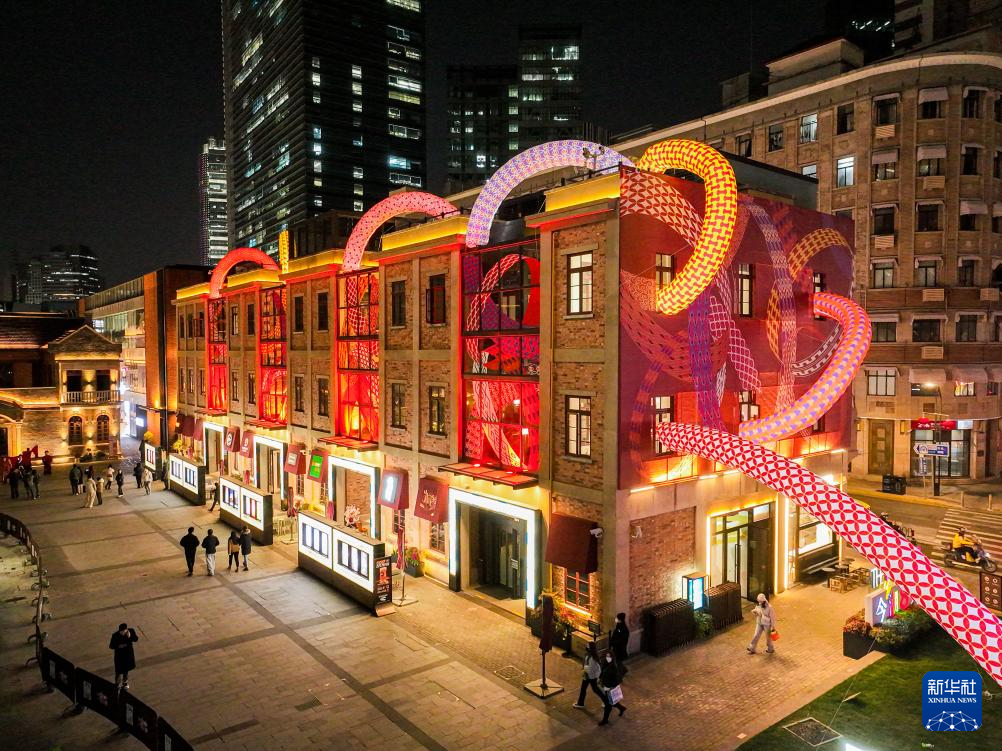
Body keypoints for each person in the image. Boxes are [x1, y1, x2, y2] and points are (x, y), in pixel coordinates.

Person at [597, 649, 626, 726]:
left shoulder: (614, 667)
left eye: (609, 656)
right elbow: (602, 671)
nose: (608, 658)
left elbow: (616, 680)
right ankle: (621, 708)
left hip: (610, 688)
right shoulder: (605, 663)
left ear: (612, 657)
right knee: (612, 701)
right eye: (606, 656)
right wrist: (600, 678)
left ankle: (605, 720)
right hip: (606, 686)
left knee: (608, 705)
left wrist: (611, 687)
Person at [573, 641, 604, 710]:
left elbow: (590, 669)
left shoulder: (592, 658)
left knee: (595, 689)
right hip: (587, 676)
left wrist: (585, 668)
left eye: (587, 646)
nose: (586, 647)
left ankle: (606, 701)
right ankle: (580, 703)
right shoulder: (588, 655)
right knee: (584, 689)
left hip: (591, 676)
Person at [109, 623, 139, 690]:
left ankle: (125, 683)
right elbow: (111, 646)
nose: (122, 633)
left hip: (128, 655)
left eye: (123, 631)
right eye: (121, 632)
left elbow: (136, 639)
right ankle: (117, 684)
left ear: (126, 630)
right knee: (118, 671)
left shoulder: (131, 631)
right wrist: (118, 646)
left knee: (126, 670)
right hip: (119, 657)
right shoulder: (115, 635)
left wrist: (130, 636)